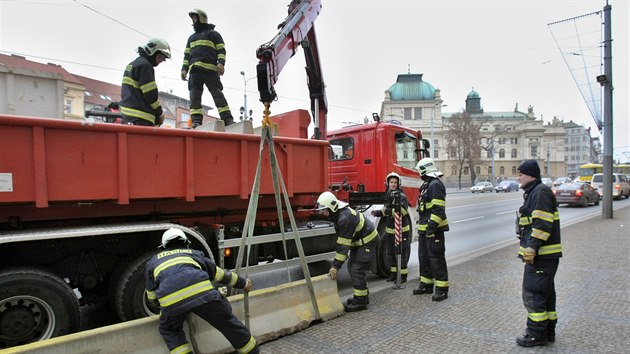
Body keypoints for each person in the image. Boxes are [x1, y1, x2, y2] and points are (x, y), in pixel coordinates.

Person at [145, 228, 258, 354]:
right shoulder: (194, 253)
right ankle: (251, 351)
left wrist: (162, 306)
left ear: (164, 246)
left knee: (169, 330)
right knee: (226, 322)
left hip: (172, 305)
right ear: (186, 242)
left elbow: (151, 295)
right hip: (205, 298)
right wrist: (243, 283)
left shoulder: (152, 262)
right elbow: (219, 275)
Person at [515, 160, 562, 347]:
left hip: (541, 256)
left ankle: (536, 335)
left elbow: (542, 224)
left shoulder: (539, 192)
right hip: (545, 257)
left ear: (531, 175)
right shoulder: (535, 192)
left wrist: (532, 248)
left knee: (533, 294)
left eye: (520, 174)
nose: (518, 177)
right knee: (546, 294)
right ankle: (548, 331)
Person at [318, 191, 377, 312]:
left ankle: (360, 302)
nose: (322, 213)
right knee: (352, 267)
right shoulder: (338, 214)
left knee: (357, 268)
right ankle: (362, 296)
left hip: (367, 241)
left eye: (324, 210)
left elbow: (343, 247)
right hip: (360, 241)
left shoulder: (344, 218)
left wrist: (335, 267)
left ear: (332, 207)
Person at [181, 9, 234, 128]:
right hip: (194, 72)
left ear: (201, 18)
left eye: (195, 18)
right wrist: (184, 69)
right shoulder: (191, 38)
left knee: (218, 95)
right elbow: (186, 56)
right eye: (192, 19)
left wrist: (221, 64)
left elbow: (221, 50)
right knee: (194, 98)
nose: (193, 21)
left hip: (210, 71)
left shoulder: (214, 34)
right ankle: (196, 121)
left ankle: (227, 119)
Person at [412, 157, 450, 301]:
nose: (418, 174)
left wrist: (431, 228)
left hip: (433, 230)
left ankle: (442, 289)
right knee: (425, 258)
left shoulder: (435, 185)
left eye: (419, 171)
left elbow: (438, 210)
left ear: (424, 170)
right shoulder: (427, 185)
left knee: (436, 259)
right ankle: (426, 284)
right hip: (425, 230)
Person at [370, 172, 411, 282]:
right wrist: (378, 213)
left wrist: (388, 211)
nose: (393, 184)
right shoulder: (389, 195)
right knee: (390, 253)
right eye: (391, 182)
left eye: (395, 182)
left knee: (401, 253)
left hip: (401, 230)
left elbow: (402, 211)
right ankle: (393, 274)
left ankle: (402, 276)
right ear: (387, 183)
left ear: (399, 184)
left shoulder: (401, 196)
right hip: (390, 230)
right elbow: (386, 211)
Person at [120, 38, 170, 126]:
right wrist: (160, 113)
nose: (162, 60)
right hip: (141, 118)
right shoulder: (145, 66)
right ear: (153, 52)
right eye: (161, 57)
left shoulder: (132, 65)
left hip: (127, 117)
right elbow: (151, 95)